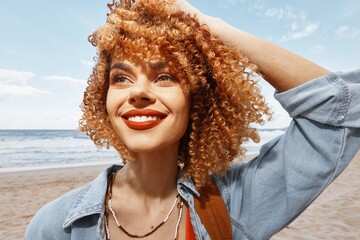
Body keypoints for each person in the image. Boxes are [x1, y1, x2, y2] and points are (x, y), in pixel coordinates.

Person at [25, 0, 360, 239]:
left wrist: (212, 27)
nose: (138, 92)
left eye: (165, 77)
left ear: (196, 101)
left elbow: (339, 113)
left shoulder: (235, 204)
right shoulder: (54, 227)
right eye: (122, 78)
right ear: (104, 99)